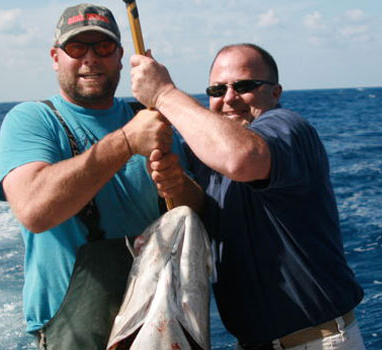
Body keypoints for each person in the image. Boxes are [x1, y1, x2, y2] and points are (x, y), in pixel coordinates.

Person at [130, 43, 366, 349]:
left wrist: (164, 93)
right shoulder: (207, 152)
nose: (229, 98)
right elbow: (210, 212)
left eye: (244, 86)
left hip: (316, 342)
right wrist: (178, 184)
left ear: (275, 93)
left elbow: (242, 158)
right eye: (217, 89)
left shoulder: (289, 129)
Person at [0, 4, 199, 349]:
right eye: (76, 48)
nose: (90, 58)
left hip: (160, 322)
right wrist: (127, 142)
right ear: (55, 57)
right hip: (75, 334)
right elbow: (34, 210)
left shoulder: (153, 120)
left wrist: (180, 184)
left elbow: (195, 215)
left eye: (102, 48)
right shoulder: (31, 120)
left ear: (121, 56)